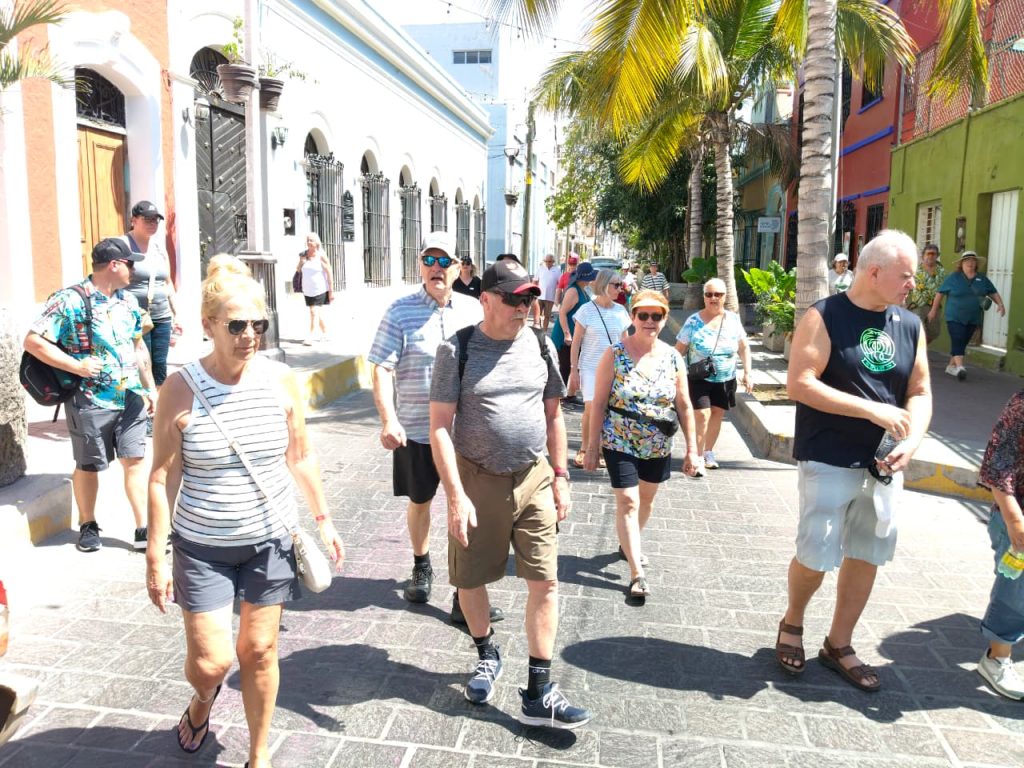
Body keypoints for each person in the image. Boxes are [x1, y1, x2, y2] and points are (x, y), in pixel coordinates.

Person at [145, 254, 344, 768]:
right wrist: (155, 556)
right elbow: (164, 475)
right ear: (209, 325)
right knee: (212, 663)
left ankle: (260, 755)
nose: (249, 335)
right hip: (202, 546)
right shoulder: (180, 388)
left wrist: (323, 520)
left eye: (259, 324)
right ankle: (202, 699)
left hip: (269, 540)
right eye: (236, 325)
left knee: (259, 652)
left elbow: (299, 456)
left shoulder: (281, 381)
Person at [429, 258, 592, 729]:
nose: (525, 307)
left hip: (533, 476)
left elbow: (554, 414)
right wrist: (455, 495)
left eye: (531, 299)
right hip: (476, 478)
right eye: (515, 299)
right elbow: (439, 427)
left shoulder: (540, 343)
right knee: (470, 579)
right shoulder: (456, 349)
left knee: (546, 580)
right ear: (486, 299)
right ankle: (486, 652)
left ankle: (539, 689)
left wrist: (561, 474)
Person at [777, 229, 932, 692]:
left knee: (867, 552)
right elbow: (800, 383)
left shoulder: (909, 324)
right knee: (816, 552)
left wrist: (914, 439)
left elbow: (920, 390)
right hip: (828, 455)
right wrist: (871, 409)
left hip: (883, 466)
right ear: (874, 272)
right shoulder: (824, 316)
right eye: (906, 276)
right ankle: (793, 621)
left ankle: (839, 644)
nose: (912, 285)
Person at [368, 231, 501, 626]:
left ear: (459, 269)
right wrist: (388, 418)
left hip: (466, 432)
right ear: (420, 265)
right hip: (417, 430)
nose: (437, 269)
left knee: (464, 506)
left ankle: (465, 591)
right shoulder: (400, 310)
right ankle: (421, 565)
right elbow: (379, 366)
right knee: (421, 501)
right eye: (430, 261)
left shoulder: (474, 310)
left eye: (445, 262)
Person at [24, 237, 156, 552]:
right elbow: (33, 341)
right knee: (89, 465)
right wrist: (77, 366)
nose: (134, 269)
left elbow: (138, 347)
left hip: (130, 398)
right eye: (130, 263)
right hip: (90, 399)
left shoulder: (128, 302)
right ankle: (88, 524)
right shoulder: (70, 300)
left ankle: (143, 528)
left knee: (134, 460)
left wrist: (149, 387)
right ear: (114, 265)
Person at [585, 290, 699, 599]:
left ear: (664, 319)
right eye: (643, 315)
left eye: (656, 316)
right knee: (629, 502)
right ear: (633, 317)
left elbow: (685, 405)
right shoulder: (616, 353)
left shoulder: (673, 357)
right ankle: (637, 573)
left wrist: (693, 450)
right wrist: (592, 446)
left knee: (646, 501)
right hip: (618, 439)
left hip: (657, 443)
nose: (649, 321)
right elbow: (598, 403)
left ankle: (627, 543)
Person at [674, 277, 753, 475]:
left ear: (725, 297)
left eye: (717, 294)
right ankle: (697, 456)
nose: (713, 298)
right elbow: (678, 351)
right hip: (700, 377)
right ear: (703, 297)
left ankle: (708, 451)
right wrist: (672, 375)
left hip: (726, 377)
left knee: (717, 413)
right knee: (702, 414)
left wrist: (748, 373)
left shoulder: (733, 319)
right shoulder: (693, 322)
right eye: (709, 294)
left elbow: (744, 347)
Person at [975, 390, 1024, 700]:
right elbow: (998, 463)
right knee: (1016, 590)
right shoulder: (1022, 404)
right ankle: (996, 656)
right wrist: (1013, 518)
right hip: (1017, 519)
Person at [569, 269, 631, 468]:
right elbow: (576, 342)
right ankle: (585, 448)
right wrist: (573, 370)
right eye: (616, 285)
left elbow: (626, 342)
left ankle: (603, 449)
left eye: (620, 285)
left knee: (606, 409)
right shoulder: (586, 310)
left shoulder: (621, 311)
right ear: (604, 285)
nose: (619, 289)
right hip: (589, 366)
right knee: (590, 408)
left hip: (614, 369)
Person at [123, 200, 181, 392]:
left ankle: (159, 406)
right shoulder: (124, 246)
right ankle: (146, 405)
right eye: (147, 219)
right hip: (137, 316)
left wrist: (176, 314)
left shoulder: (158, 248)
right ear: (133, 220)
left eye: (156, 220)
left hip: (162, 315)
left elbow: (167, 283)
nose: (152, 223)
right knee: (142, 362)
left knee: (159, 363)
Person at [930, 250, 1005, 381]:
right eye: (967, 260)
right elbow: (940, 293)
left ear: (976, 263)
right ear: (961, 264)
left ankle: (951, 366)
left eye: (973, 260)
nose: (970, 263)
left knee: (962, 341)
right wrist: (933, 310)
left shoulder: (982, 279)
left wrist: (1000, 304)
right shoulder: (953, 278)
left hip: (973, 317)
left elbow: (993, 292)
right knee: (958, 337)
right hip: (954, 316)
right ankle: (960, 368)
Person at [551, 262, 596, 387]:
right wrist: (567, 334)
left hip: (575, 334)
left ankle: (568, 395)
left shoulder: (583, 289)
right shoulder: (573, 291)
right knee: (564, 367)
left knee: (573, 366)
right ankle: (558, 399)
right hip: (565, 335)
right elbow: (562, 313)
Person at [295, 233, 333, 345]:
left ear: (317, 242)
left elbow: (329, 273)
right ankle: (325, 332)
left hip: (319, 289)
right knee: (316, 313)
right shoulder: (303, 255)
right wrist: (301, 263)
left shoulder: (321, 256)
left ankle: (310, 336)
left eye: (311, 240)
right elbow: (298, 270)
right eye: (307, 240)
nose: (309, 242)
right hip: (307, 289)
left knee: (313, 311)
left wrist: (331, 291)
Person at [906, 243, 945, 343]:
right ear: (923, 255)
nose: (931, 256)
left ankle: (921, 349)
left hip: (934, 306)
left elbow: (942, 289)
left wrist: (934, 309)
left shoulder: (941, 270)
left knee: (933, 332)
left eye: (933, 254)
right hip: (917, 306)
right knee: (919, 331)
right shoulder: (915, 270)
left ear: (937, 256)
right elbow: (907, 285)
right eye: (928, 254)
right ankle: (917, 353)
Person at [536, 254, 561, 331]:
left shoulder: (557, 270)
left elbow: (560, 283)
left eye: (549, 261)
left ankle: (544, 332)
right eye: (546, 261)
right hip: (540, 296)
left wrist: (559, 296)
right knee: (538, 315)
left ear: (553, 262)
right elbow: (535, 280)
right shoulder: (540, 269)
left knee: (547, 316)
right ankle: (538, 329)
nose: (547, 263)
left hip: (550, 297)